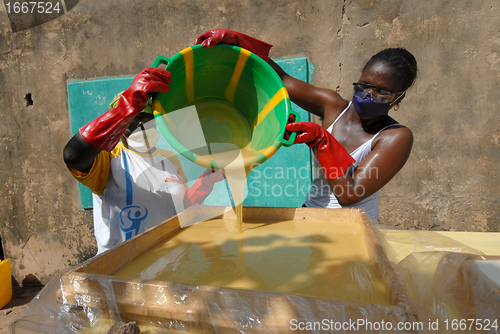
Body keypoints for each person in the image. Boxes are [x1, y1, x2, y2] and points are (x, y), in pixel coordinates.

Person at [195, 29, 417, 220]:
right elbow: (281, 79)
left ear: (398, 97)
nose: (368, 94)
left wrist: (321, 141)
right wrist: (239, 42)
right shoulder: (333, 106)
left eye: (381, 91)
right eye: (365, 84)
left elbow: (349, 194)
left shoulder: (395, 137)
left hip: (355, 226)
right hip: (312, 214)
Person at [63, 68, 223, 254]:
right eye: (132, 122)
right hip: (120, 269)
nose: (142, 128)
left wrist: (205, 183)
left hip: (166, 263)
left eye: (149, 121)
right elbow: (73, 156)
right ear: (119, 127)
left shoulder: (169, 160)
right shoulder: (107, 159)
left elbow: (179, 210)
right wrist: (126, 107)